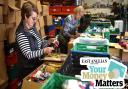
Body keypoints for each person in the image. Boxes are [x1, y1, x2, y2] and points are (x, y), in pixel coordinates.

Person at [15, 1, 58, 82]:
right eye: (33, 18)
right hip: (27, 71)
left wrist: (48, 41)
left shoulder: (32, 27)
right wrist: (44, 51)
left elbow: (39, 43)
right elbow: (28, 54)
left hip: (36, 66)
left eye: (36, 19)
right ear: (25, 16)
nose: (35, 21)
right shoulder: (21, 33)